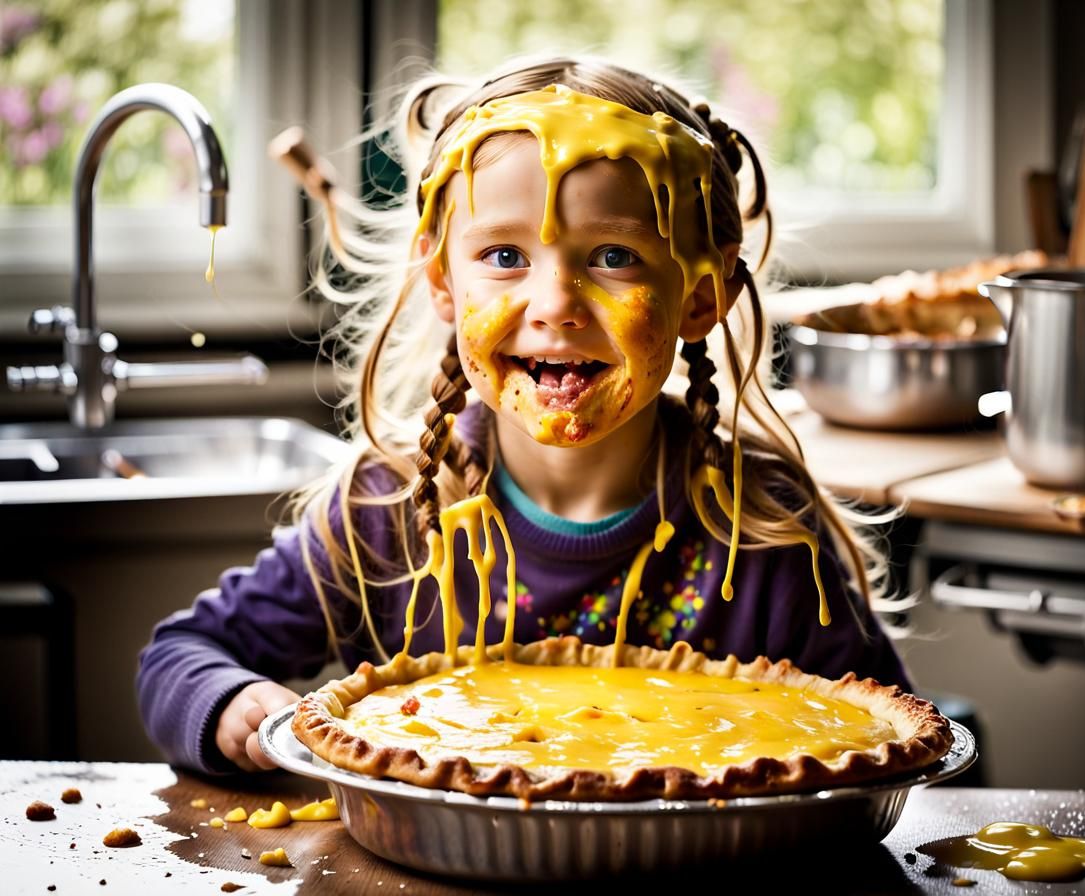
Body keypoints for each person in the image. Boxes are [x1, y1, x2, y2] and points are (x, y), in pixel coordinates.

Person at [137, 55, 913, 775]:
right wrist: (233, 704)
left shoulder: (761, 530)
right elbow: (183, 653)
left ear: (701, 296)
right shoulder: (390, 511)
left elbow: (889, 738)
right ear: (444, 284)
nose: (555, 307)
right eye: (505, 257)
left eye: (612, 257)